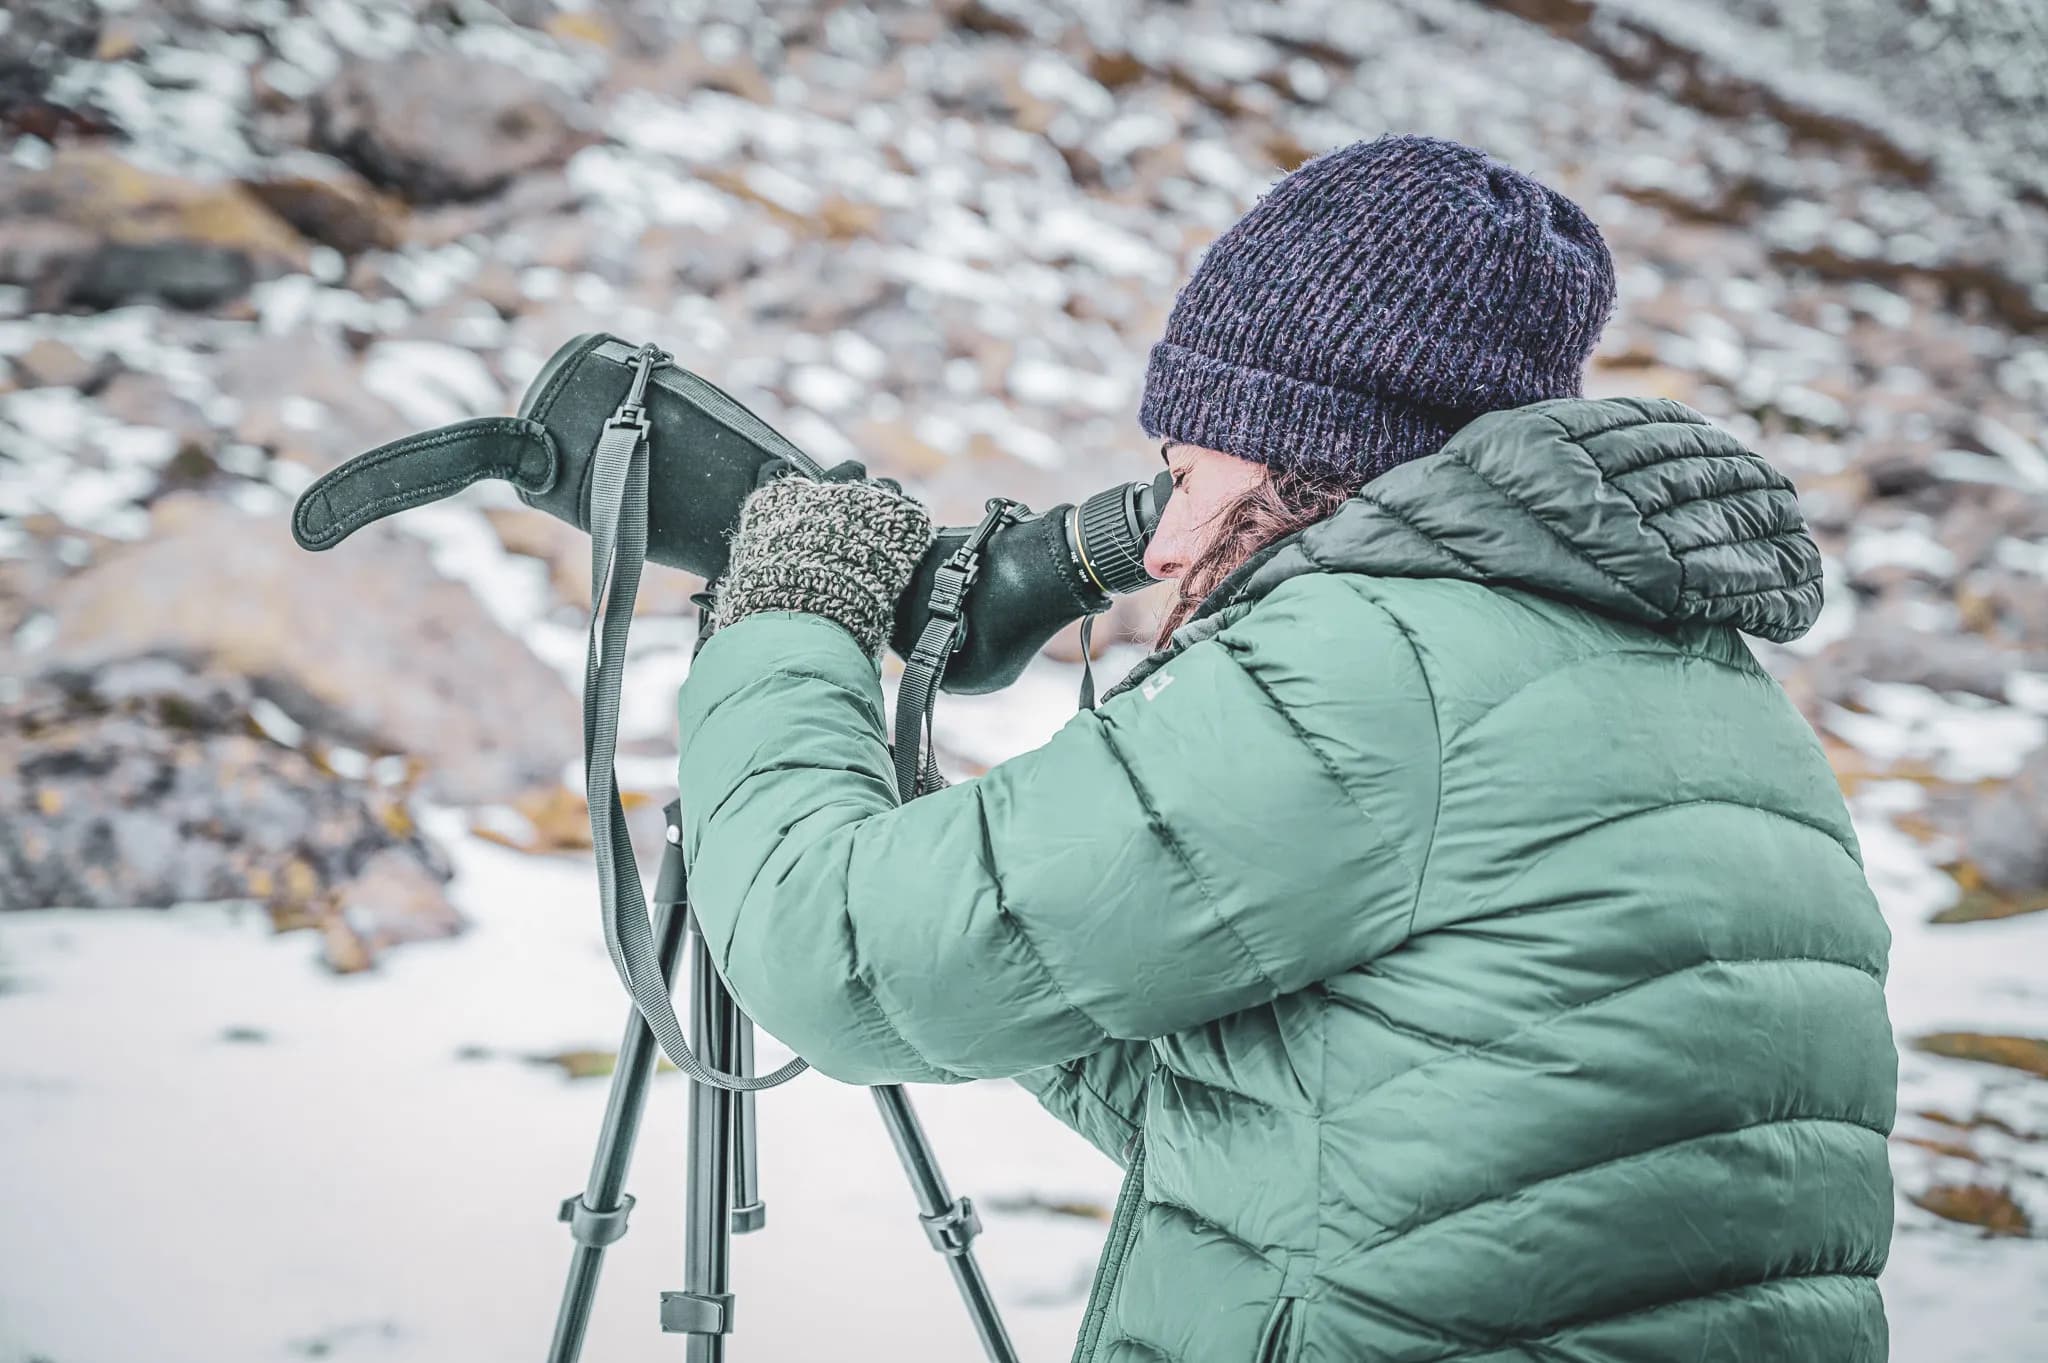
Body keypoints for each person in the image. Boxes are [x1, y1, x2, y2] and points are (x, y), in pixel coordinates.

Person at [675, 134, 1895, 1362]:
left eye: (1185, 472)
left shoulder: (1372, 659)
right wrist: (986, 878)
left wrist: (791, 611)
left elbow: (827, 955)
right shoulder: (1698, 682)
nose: (1157, 548)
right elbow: (1322, 1126)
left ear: (1291, 445)